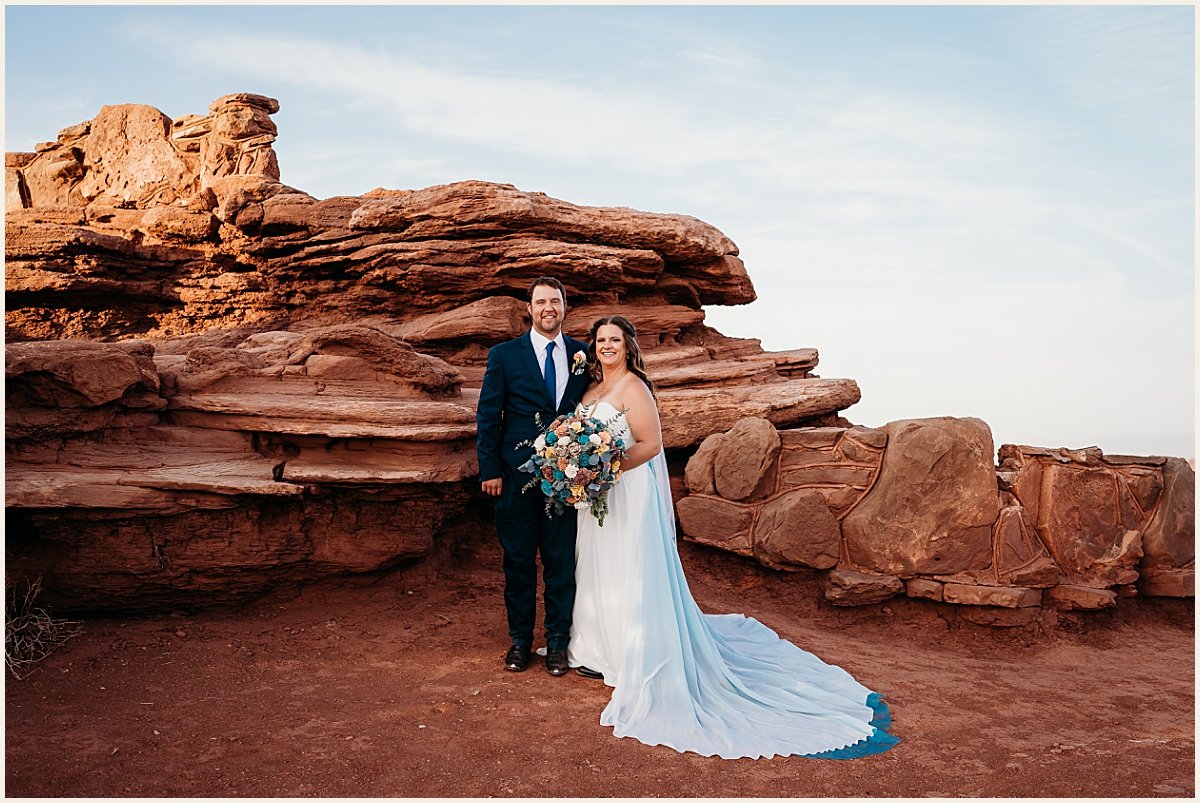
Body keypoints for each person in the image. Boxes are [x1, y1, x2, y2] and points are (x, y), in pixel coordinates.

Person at [566, 315, 900, 759]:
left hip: (627, 490)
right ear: (593, 346)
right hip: (598, 494)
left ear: (628, 345)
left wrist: (606, 468)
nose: (607, 346)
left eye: (615, 339)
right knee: (596, 564)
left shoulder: (634, 388)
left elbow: (649, 443)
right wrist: (580, 467)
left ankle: (635, 651)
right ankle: (595, 646)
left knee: (629, 565)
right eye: (601, 340)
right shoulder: (590, 391)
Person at [476, 277, 591, 676]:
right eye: (541, 301)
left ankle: (557, 644)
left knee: (561, 563)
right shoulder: (505, 356)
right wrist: (489, 469)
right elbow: (489, 415)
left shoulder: (582, 354)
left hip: (566, 478)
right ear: (530, 308)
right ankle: (520, 642)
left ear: (564, 307)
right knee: (519, 562)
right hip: (513, 477)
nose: (548, 308)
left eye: (555, 302)